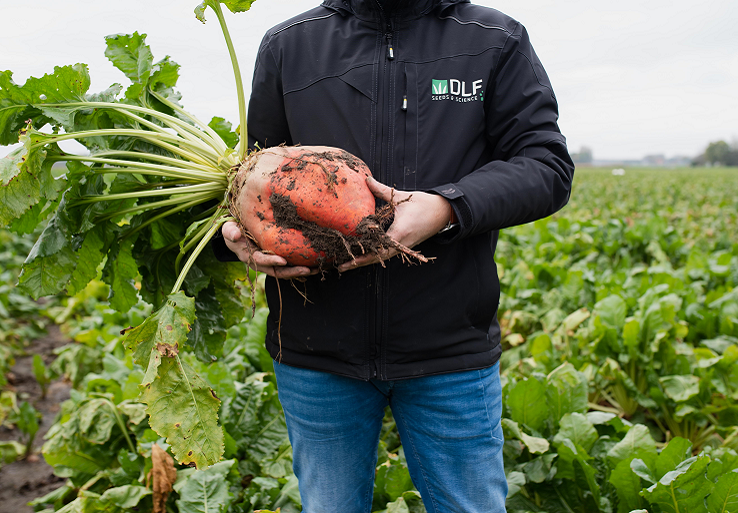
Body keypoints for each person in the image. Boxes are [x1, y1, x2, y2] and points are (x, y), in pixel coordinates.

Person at [218, 0, 574, 511]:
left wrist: (448, 207)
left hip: (449, 349)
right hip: (317, 353)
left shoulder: (493, 38)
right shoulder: (289, 45)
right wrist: (235, 236)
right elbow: (253, 181)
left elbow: (546, 166)